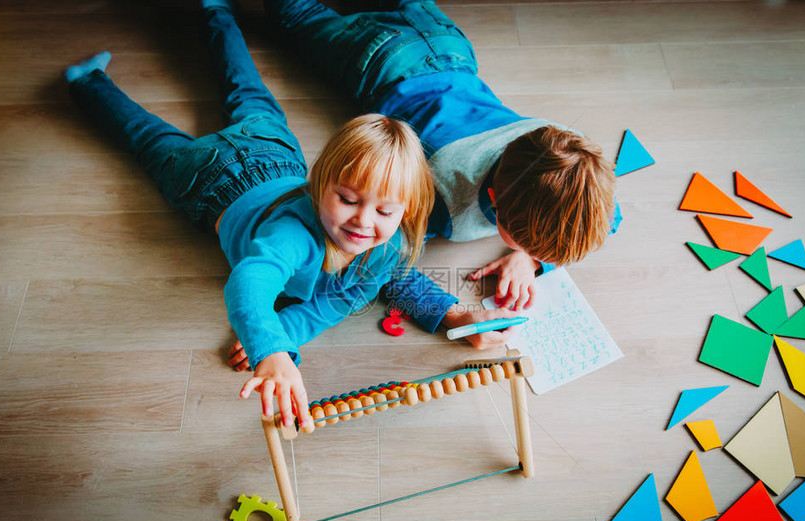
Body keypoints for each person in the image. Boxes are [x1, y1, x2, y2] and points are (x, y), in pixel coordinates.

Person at [64, 0, 435, 430]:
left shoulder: (390, 246)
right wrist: (270, 349)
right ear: (319, 185)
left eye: (385, 210)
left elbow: (344, 299)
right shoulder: (295, 234)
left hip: (275, 152)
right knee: (150, 138)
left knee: (247, 89)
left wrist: (281, 333)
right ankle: (88, 81)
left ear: (406, 210)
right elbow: (250, 279)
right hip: (209, 179)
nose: (364, 222)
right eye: (348, 200)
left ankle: (213, 11)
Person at [264, 0, 623, 348]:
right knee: (296, 17)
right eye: (524, 242)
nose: (533, 252)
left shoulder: (564, 148)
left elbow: (612, 216)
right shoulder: (444, 194)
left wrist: (528, 259)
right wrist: (453, 317)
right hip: (380, 61)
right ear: (494, 204)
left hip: (450, 45)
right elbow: (378, 262)